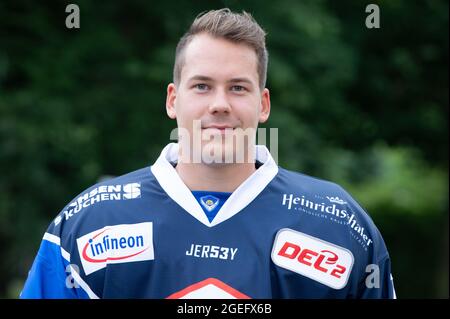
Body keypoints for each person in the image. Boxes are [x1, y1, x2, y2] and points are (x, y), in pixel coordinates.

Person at [20, 8, 396, 299]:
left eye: (237, 88)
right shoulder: (89, 222)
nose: (219, 104)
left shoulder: (338, 226)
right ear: (173, 99)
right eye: (201, 86)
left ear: (263, 104)